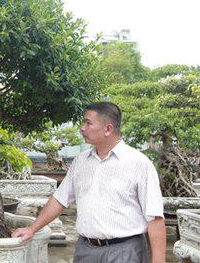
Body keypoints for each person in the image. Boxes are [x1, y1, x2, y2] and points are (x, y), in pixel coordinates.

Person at [12, 102, 166, 263]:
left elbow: (154, 218)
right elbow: (60, 199)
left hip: (125, 252)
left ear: (108, 129)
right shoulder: (80, 161)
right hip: (86, 250)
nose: (82, 128)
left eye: (88, 122)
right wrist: (32, 229)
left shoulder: (139, 163)